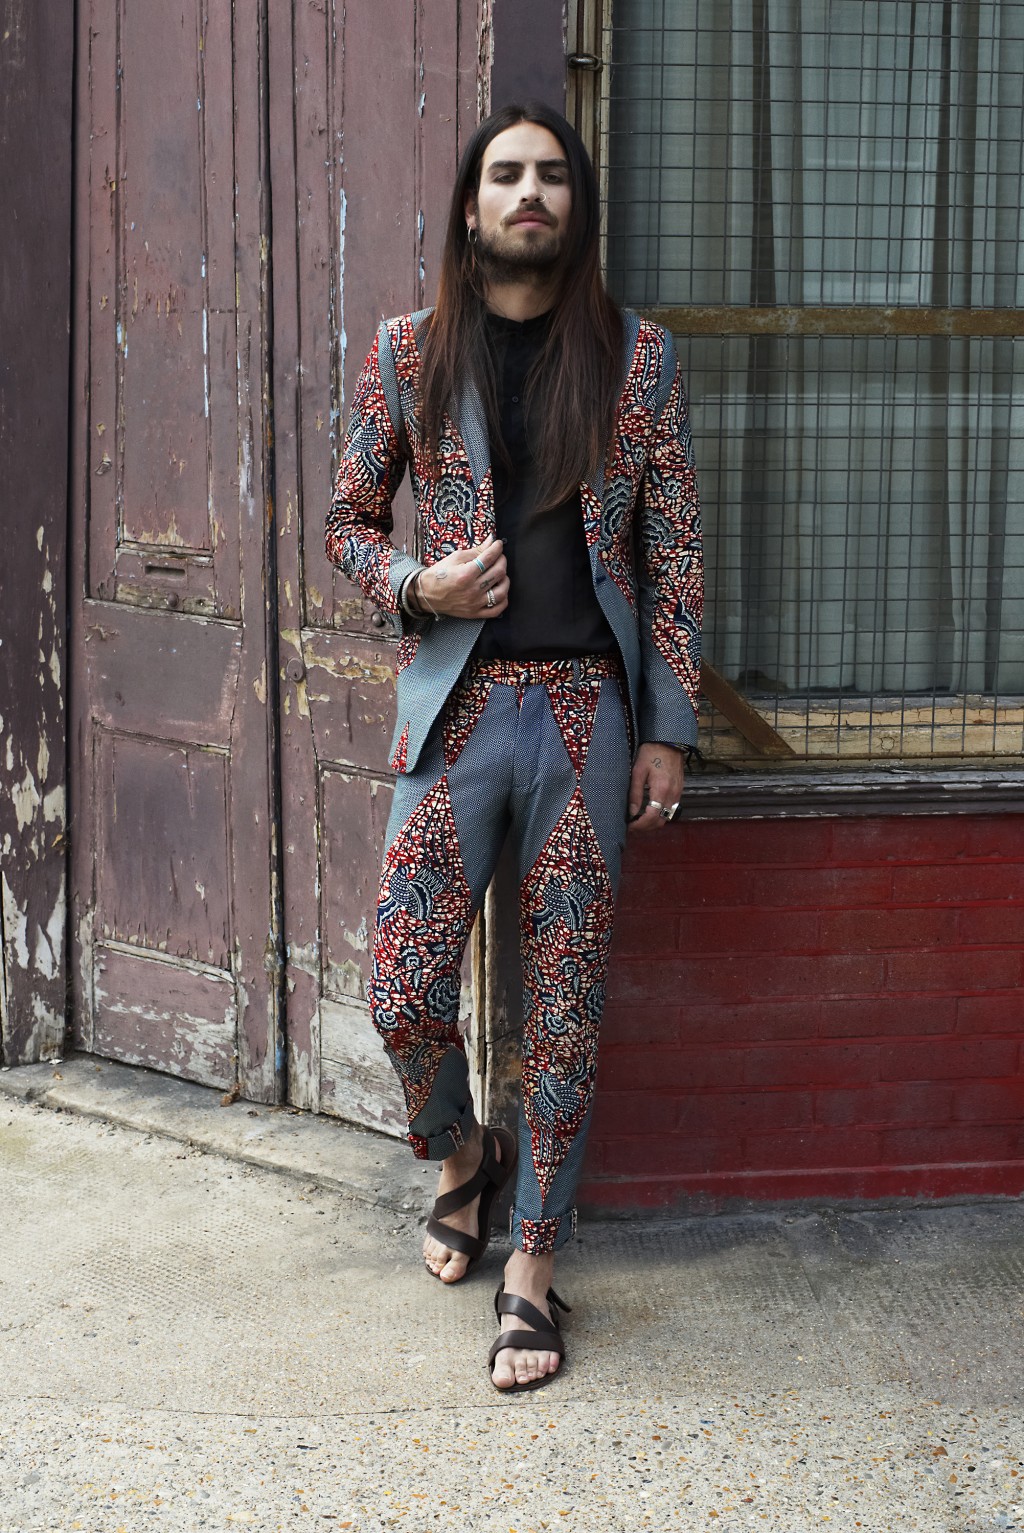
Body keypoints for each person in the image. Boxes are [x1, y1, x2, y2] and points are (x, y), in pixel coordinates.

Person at [326, 101, 702, 1393]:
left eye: (551, 174)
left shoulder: (639, 360)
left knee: (564, 1003)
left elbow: (673, 556)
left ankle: (533, 1268)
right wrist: (417, 584)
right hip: (462, 709)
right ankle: (462, 1156)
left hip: (591, 715)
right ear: (472, 205)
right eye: (506, 174)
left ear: (574, 206)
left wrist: (669, 730)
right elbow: (347, 521)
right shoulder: (409, 352)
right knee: (400, 985)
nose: (529, 191)